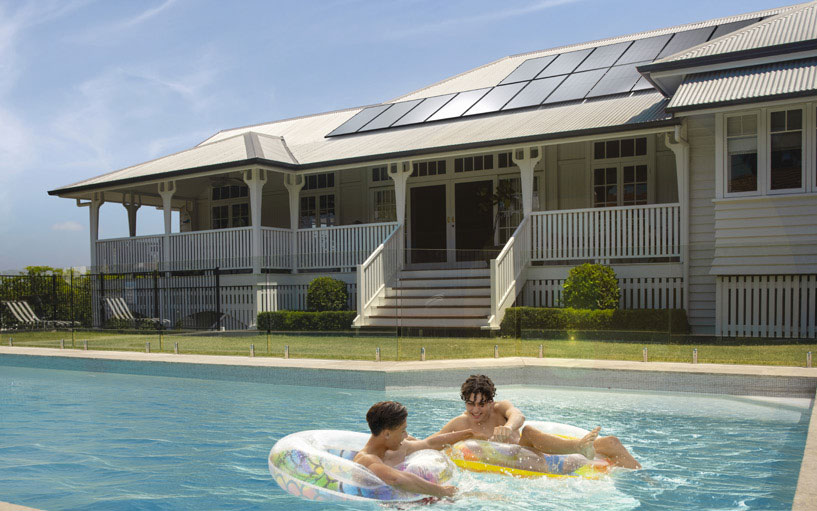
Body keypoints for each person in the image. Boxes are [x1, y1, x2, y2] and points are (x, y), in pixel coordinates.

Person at [431, 375, 641, 469]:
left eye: (481, 404)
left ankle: (643, 477)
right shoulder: (460, 423)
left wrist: (507, 427)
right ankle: (578, 447)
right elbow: (432, 442)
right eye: (470, 404)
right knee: (530, 432)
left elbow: (518, 416)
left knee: (612, 442)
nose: (475, 410)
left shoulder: (500, 408)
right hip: (517, 460)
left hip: (537, 452)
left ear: (491, 402)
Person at [353, 401, 474, 498]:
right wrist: (442, 491)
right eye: (402, 431)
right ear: (387, 434)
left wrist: (469, 434)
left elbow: (430, 443)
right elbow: (396, 479)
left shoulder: (397, 449)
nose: (406, 435)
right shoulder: (366, 460)